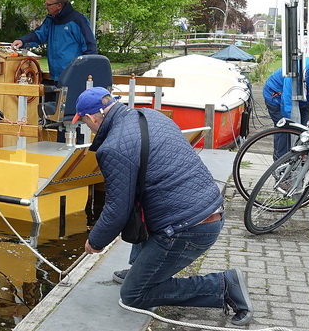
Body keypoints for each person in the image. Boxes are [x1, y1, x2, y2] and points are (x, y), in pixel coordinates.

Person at [75, 87, 253, 326]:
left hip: (187, 228)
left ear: (92, 118)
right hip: (210, 207)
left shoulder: (112, 148)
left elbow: (117, 208)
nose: (89, 128)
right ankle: (140, 269)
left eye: (86, 123)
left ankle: (223, 286)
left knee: (133, 295)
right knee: (142, 203)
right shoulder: (151, 116)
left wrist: (95, 242)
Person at [10, 0, 97, 80]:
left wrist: (87, 73)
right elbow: (38, 35)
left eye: (48, 5)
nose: (46, 7)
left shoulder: (78, 20)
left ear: (59, 5)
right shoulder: (50, 20)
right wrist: (22, 41)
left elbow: (90, 47)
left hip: (75, 77)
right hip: (55, 76)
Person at [263, 58, 309, 158]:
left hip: (303, 100)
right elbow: (287, 104)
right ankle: (280, 163)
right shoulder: (298, 72)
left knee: (305, 131)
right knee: (285, 131)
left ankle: (299, 162)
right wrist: (293, 128)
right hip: (277, 96)